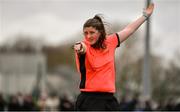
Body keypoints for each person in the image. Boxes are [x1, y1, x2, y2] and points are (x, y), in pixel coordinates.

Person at [73, 3, 154, 111]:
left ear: (100, 32)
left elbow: (129, 30)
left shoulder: (110, 42)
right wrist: (79, 47)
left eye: (92, 32)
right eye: (85, 33)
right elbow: (81, 47)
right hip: (89, 99)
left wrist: (145, 16)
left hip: (109, 99)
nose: (88, 36)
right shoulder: (84, 45)